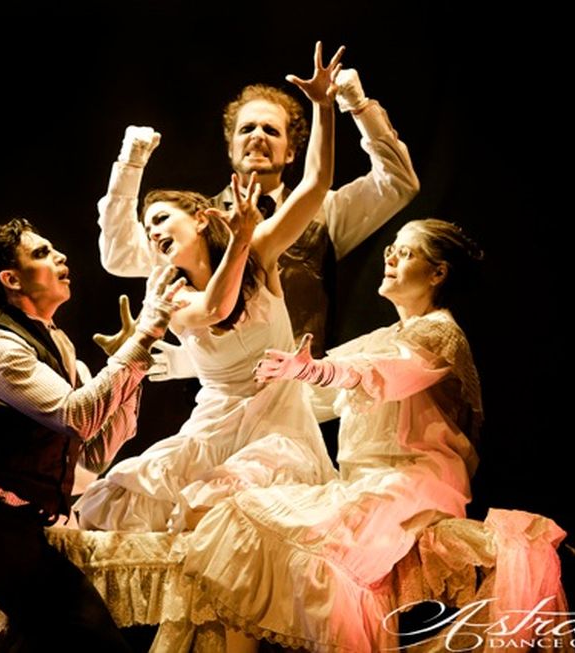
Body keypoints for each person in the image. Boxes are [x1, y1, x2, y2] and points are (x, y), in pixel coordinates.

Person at [183, 219, 485, 652]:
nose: (390, 256)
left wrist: (314, 370)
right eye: (391, 248)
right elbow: (312, 392)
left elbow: (382, 373)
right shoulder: (385, 336)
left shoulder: (439, 332)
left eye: (406, 252)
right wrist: (215, 372)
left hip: (418, 483)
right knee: (244, 517)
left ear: (438, 273)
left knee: (315, 550)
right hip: (366, 483)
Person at [0, 219, 185, 652]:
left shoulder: (59, 344)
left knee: (100, 644)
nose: (61, 256)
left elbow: (94, 453)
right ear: (11, 279)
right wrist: (141, 338)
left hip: (21, 531)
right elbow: (77, 416)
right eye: (42, 253)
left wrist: (133, 368)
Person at [77, 43, 342, 533]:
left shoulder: (258, 250)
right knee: (126, 497)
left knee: (239, 506)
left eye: (161, 218)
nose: (153, 232)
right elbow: (216, 309)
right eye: (148, 227)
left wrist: (324, 106)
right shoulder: (167, 290)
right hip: (215, 425)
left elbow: (316, 184)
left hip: (279, 427)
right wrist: (240, 240)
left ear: (200, 219)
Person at [98, 54, 419, 363]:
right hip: (231, 385)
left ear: (291, 151)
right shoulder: (197, 225)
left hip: (308, 384)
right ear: (231, 147)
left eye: (271, 130)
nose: (257, 136)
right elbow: (121, 255)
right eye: (247, 128)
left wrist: (358, 106)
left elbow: (398, 182)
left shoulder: (325, 211)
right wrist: (129, 164)